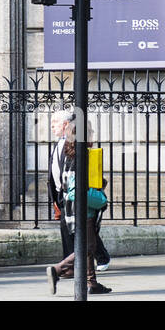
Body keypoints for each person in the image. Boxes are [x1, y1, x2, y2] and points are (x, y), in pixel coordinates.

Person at [45, 127, 111, 296]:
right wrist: (100, 196)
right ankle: (57, 269)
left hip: (71, 208)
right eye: (91, 134)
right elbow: (76, 189)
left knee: (88, 244)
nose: (93, 137)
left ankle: (91, 283)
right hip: (82, 210)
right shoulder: (82, 157)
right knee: (87, 246)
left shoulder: (70, 154)